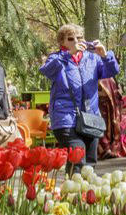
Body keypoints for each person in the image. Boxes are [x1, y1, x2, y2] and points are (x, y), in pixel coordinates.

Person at [40, 23, 119, 175]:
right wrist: (69, 54)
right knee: (78, 156)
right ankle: (72, 194)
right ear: (62, 42)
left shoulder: (92, 58)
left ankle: (86, 195)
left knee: (90, 163)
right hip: (65, 118)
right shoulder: (57, 58)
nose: (76, 41)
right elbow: (46, 71)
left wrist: (105, 55)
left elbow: (112, 70)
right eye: (71, 39)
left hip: (90, 118)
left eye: (80, 37)